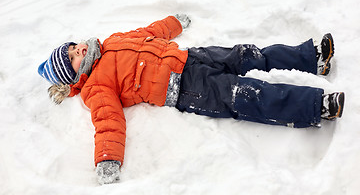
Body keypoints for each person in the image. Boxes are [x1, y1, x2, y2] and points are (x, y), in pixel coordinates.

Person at [38, 14, 345, 185]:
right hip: (184, 87)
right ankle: (316, 106)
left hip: (190, 56)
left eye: (71, 48)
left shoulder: (111, 41)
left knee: (247, 55)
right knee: (247, 95)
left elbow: (147, 31)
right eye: (71, 61)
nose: (76, 51)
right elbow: (108, 123)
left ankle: (311, 57)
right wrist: (107, 160)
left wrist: (173, 24)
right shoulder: (95, 88)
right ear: (73, 78)